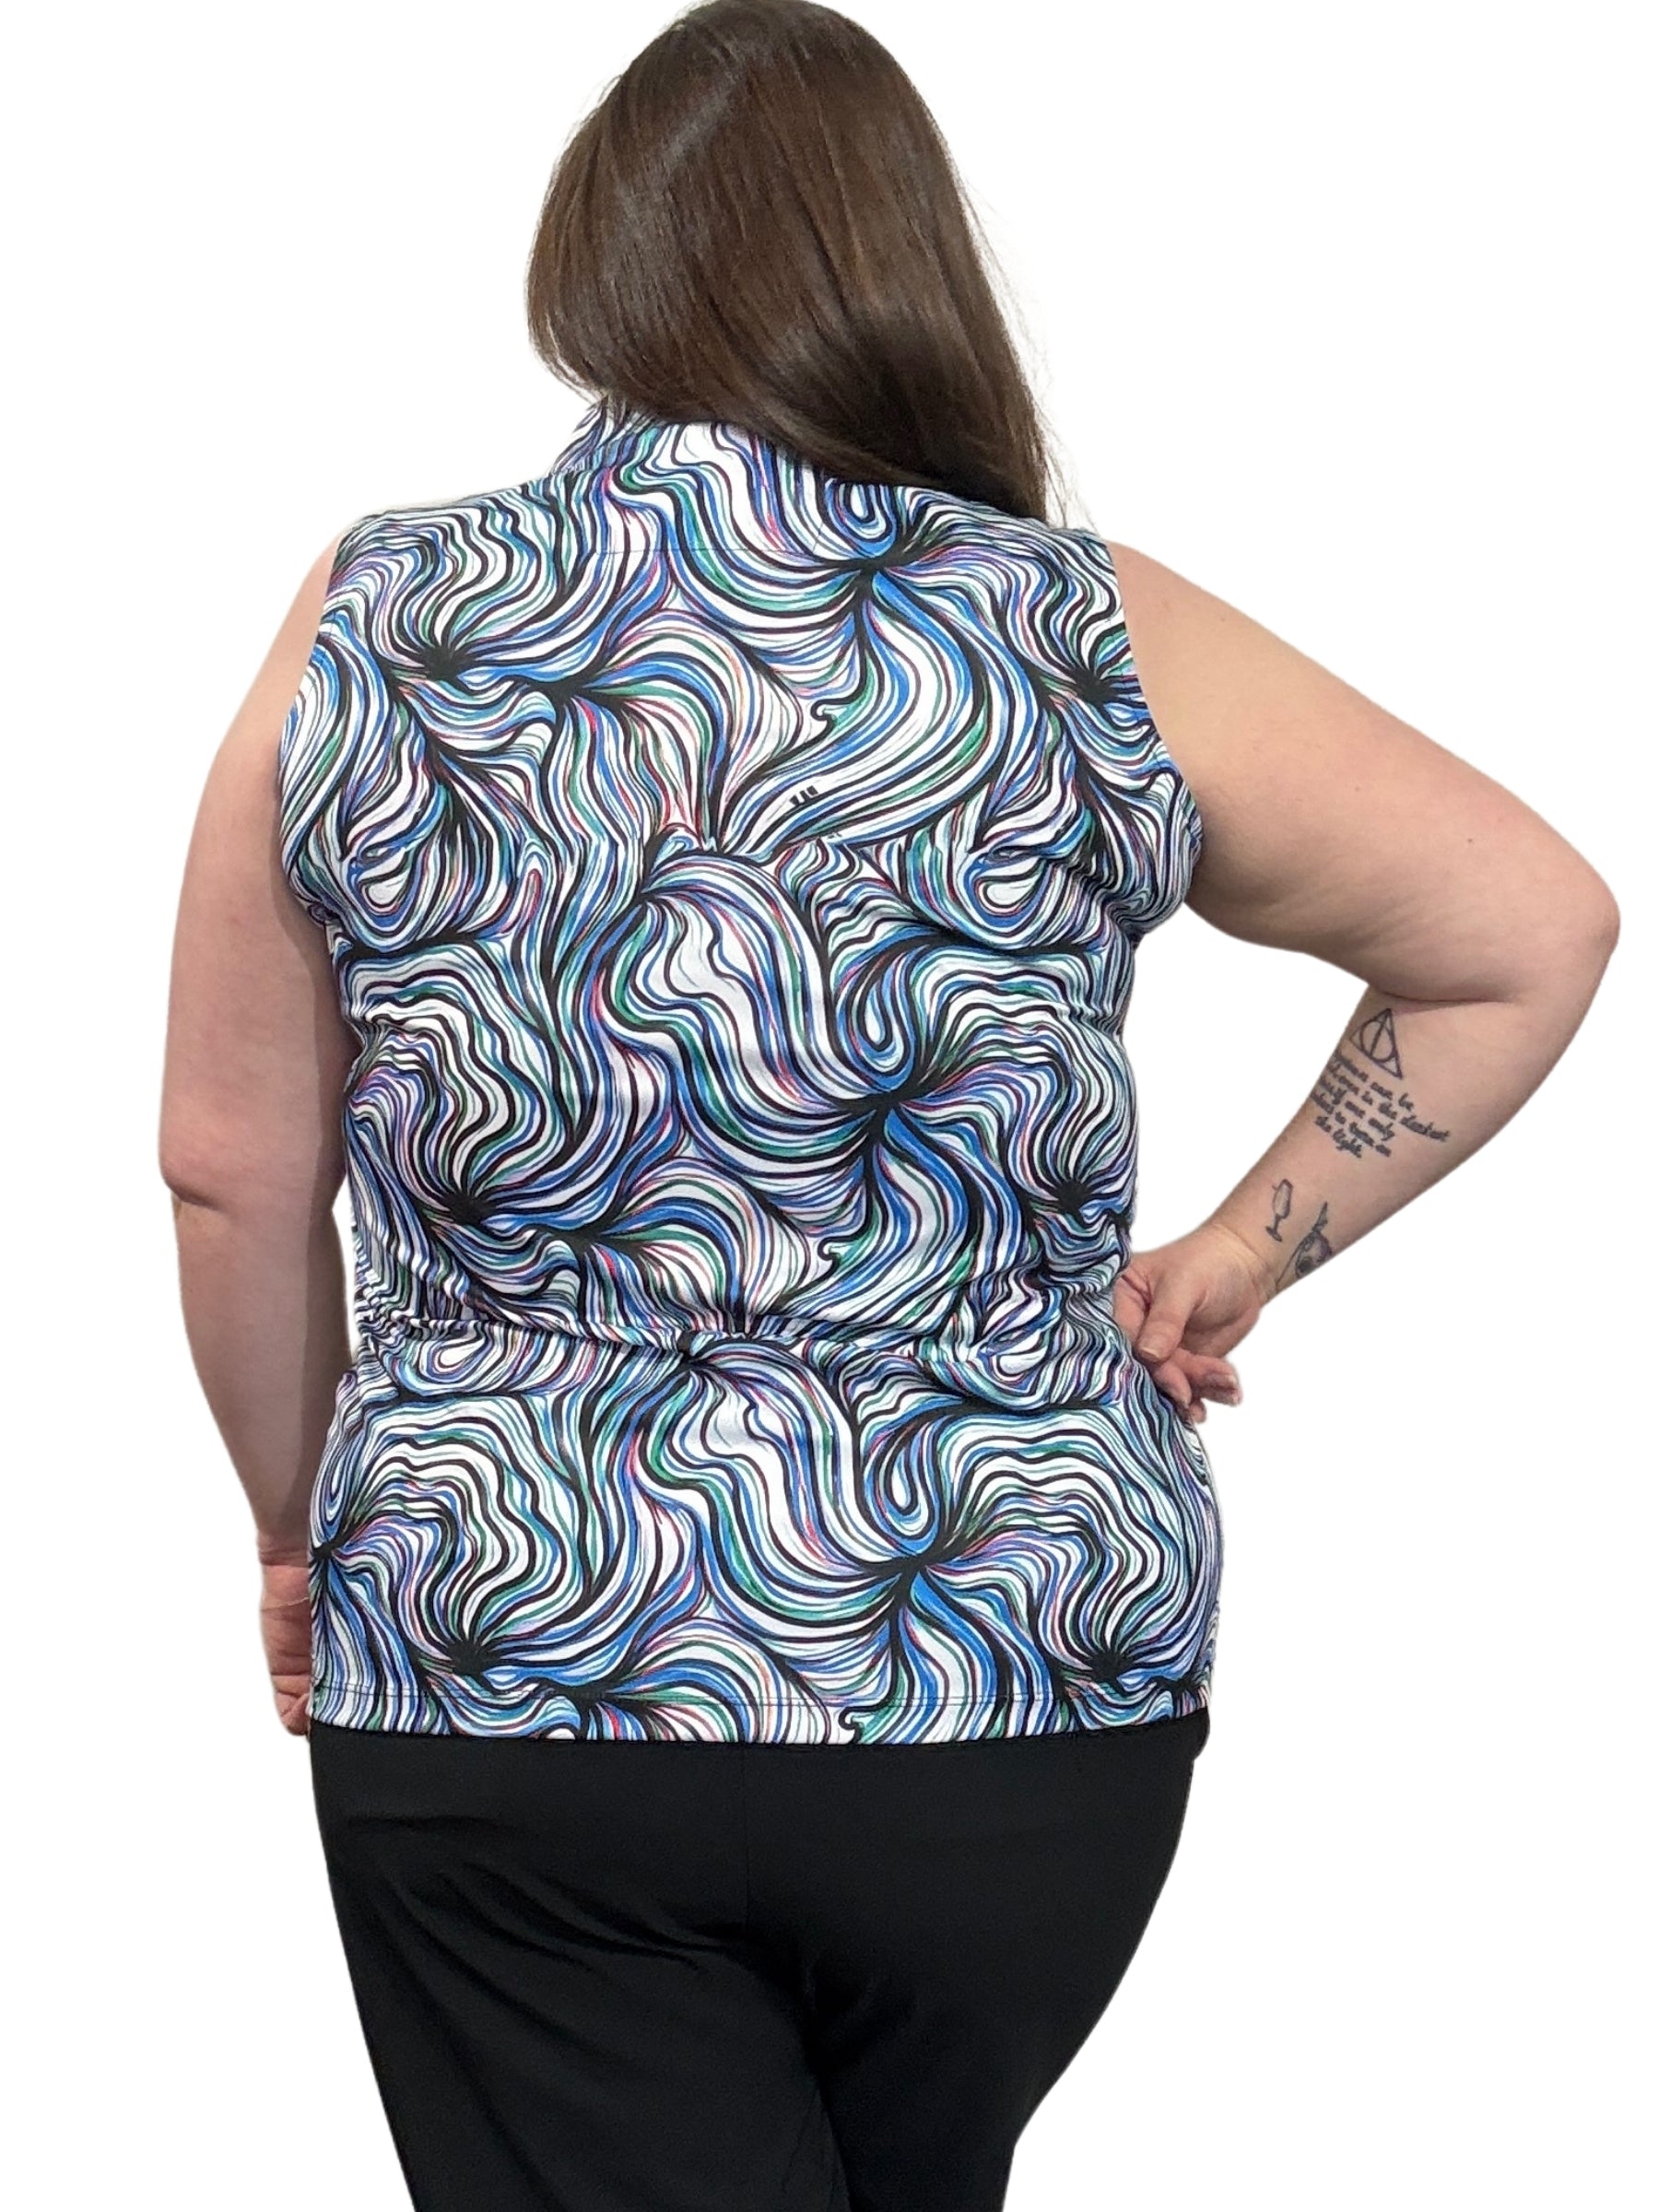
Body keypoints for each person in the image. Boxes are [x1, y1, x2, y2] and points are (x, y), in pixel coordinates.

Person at [158, 3, 1619, 2206]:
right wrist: (1237, 1258)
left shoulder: (386, 617)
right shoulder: (1076, 629)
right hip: (1014, 1664)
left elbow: (226, 1167)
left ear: (595, 265)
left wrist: (292, 1526)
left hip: (504, 1650)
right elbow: (1526, 924)